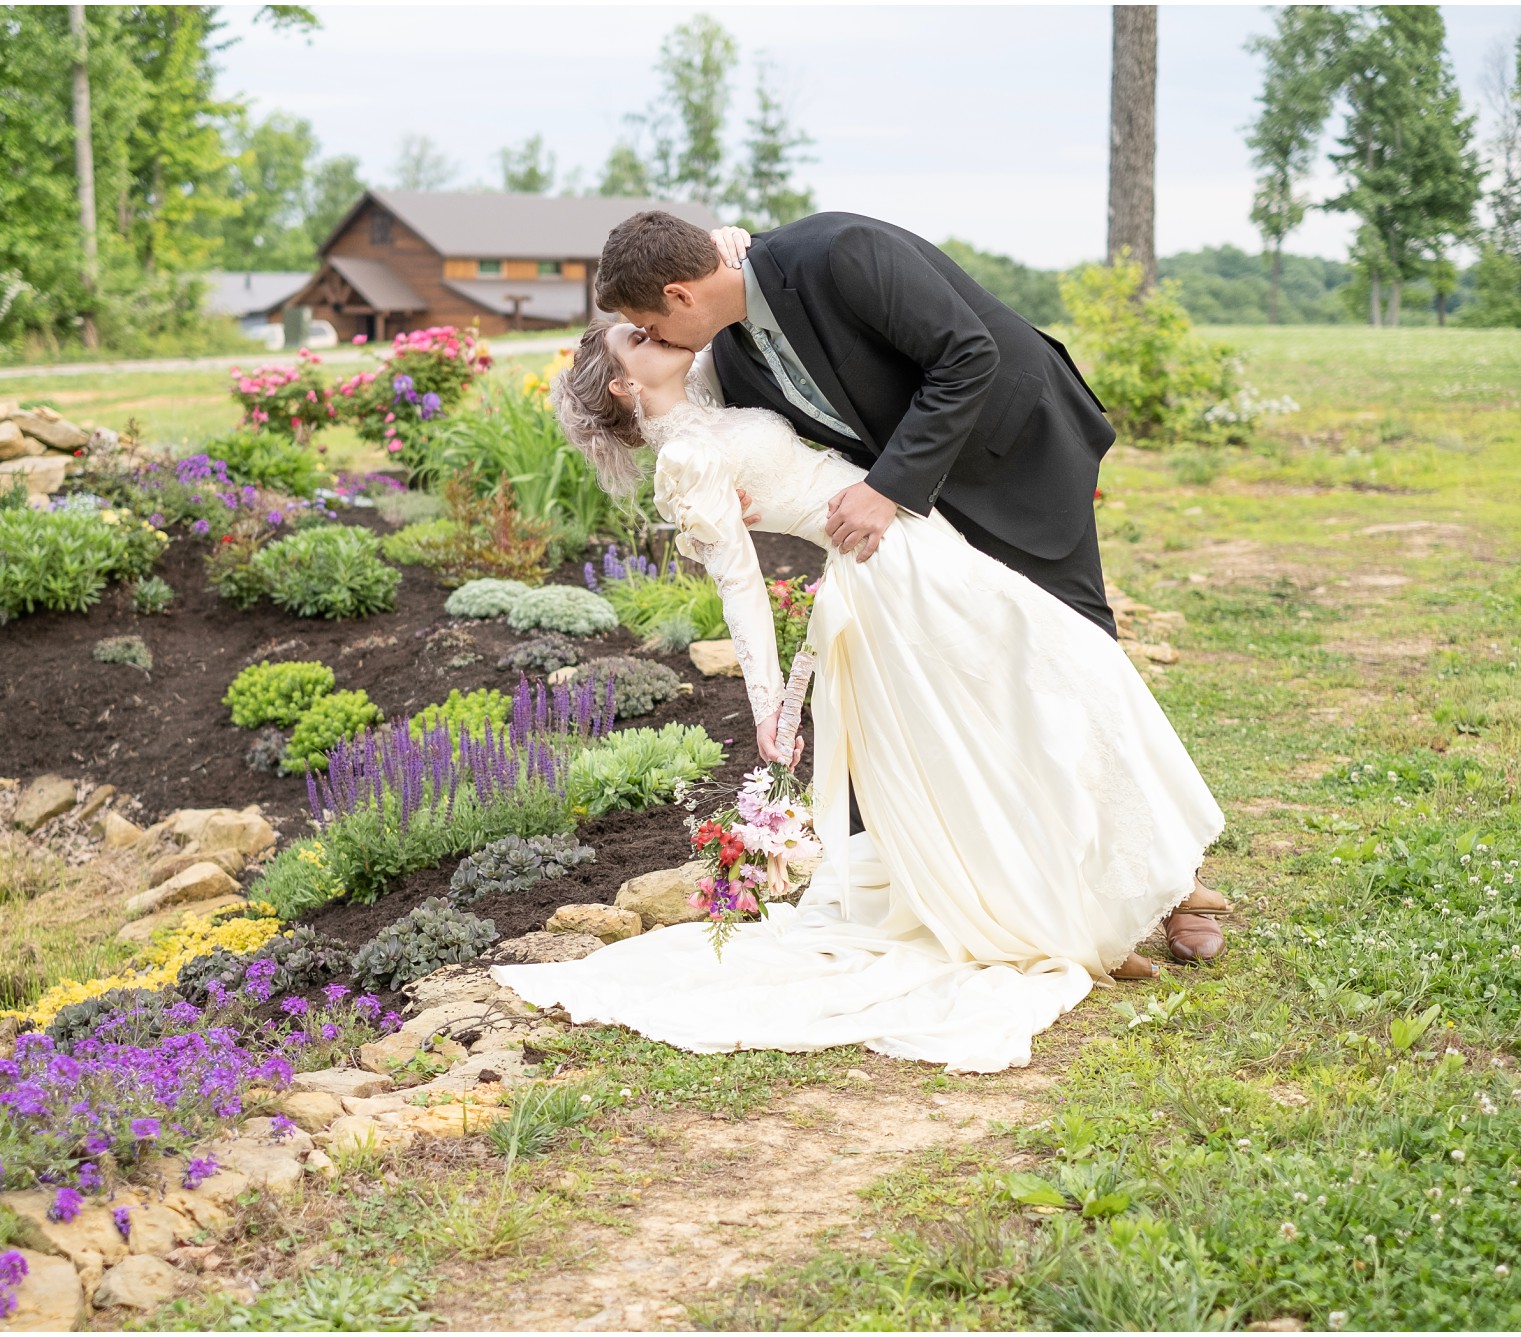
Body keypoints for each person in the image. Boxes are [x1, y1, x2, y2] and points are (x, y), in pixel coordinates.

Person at [486, 317, 1225, 1073]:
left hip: (917, 536)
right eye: (636, 341)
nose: (657, 332)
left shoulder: (704, 387)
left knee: (1048, 692)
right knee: (1000, 729)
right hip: (884, 575)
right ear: (622, 384)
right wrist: (769, 703)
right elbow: (738, 584)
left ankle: (1137, 893)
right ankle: (1072, 929)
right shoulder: (682, 457)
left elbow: (728, 282)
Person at [606, 210, 1229, 960]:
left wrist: (888, 486)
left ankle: (1177, 888)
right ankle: (1071, 898)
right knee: (983, 699)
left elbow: (969, 354)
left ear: (678, 294)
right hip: (924, 522)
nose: (659, 341)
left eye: (649, 323)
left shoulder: (840, 254)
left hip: (1014, 455)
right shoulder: (735, 362)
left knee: (1080, 657)